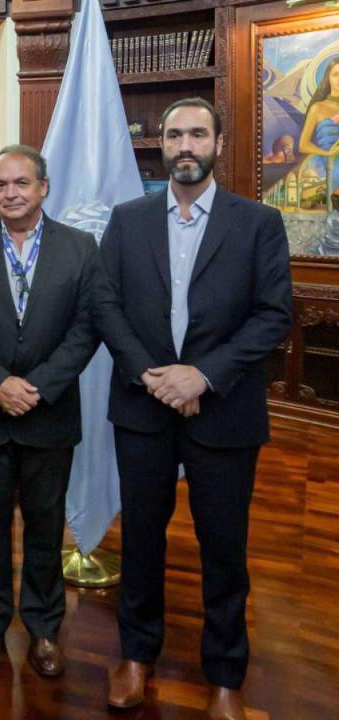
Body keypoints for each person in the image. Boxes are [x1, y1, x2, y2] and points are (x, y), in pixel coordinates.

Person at [93, 98, 292, 720]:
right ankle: (135, 654)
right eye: (174, 134)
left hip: (224, 411)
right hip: (143, 405)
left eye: (197, 134)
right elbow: (104, 303)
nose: (184, 144)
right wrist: (151, 376)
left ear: (218, 142)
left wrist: (201, 376)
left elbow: (273, 317)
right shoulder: (127, 220)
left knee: (224, 548)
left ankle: (226, 673)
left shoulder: (258, 221)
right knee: (142, 540)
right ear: (160, 144)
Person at [0, 145, 99, 677]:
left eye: (21, 184)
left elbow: (86, 329)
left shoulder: (80, 248)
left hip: (48, 415)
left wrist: (36, 386)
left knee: (45, 526)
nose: (10, 193)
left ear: (43, 188)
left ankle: (44, 628)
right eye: (1, 184)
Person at [298, 58, 339, 156]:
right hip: (326, 163)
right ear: (328, 78)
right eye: (335, 75)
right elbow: (303, 145)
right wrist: (327, 153)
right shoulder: (317, 108)